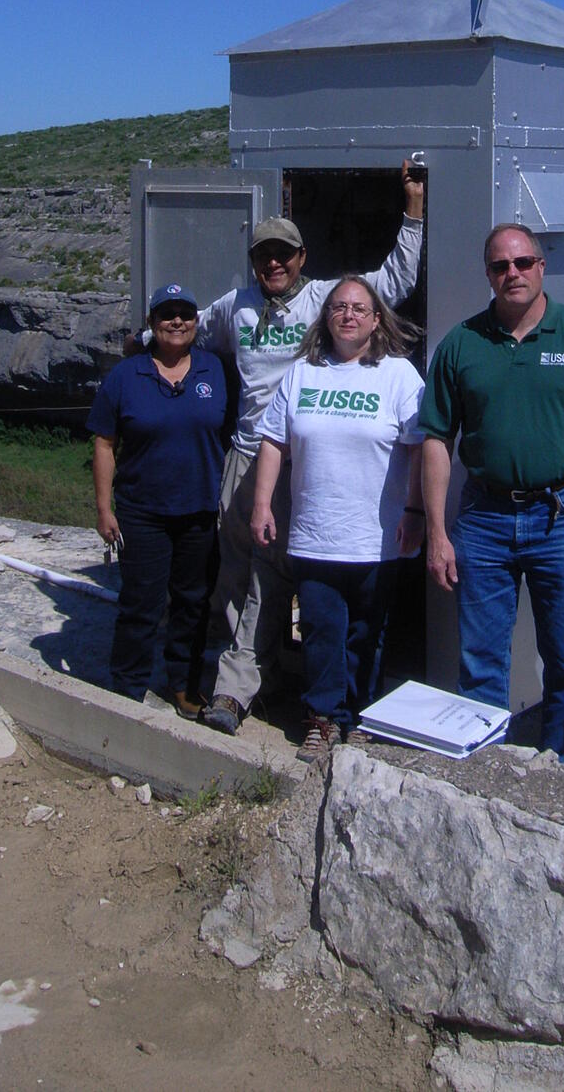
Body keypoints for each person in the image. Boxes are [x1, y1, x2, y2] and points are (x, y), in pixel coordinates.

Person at [196, 162, 425, 734]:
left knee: (273, 584)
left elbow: (392, 282)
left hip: (309, 465)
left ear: (301, 258)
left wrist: (414, 210)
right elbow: (189, 329)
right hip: (250, 457)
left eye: (284, 253)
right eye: (263, 255)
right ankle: (245, 678)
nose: (273, 263)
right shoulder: (237, 306)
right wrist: (143, 341)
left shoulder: (326, 298)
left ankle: (239, 689)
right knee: (233, 579)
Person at [420, 224, 564, 763]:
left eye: (522, 263)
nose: (511, 274)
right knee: (481, 660)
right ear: (487, 274)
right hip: (484, 521)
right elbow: (438, 440)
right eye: (499, 266)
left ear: (541, 266)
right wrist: (438, 533)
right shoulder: (462, 345)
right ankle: (486, 775)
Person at [250, 277, 425, 759]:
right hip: (314, 535)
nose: (348, 315)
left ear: (376, 319)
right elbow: (273, 442)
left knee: (368, 631)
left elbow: (419, 448)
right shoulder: (302, 374)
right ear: (326, 318)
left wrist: (415, 512)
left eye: (359, 308)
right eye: (339, 307)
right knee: (322, 630)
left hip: (377, 536)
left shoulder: (398, 376)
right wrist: (263, 504)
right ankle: (323, 719)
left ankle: (363, 715)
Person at [86, 282, 227, 713]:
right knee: (141, 604)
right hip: (143, 512)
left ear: (196, 322)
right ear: (151, 324)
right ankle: (127, 685)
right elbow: (104, 443)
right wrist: (104, 508)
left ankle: (183, 685)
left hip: (200, 511)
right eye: (167, 314)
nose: (177, 321)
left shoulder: (215, 370)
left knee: (192, 603)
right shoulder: (126, 376)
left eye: (185, 313)